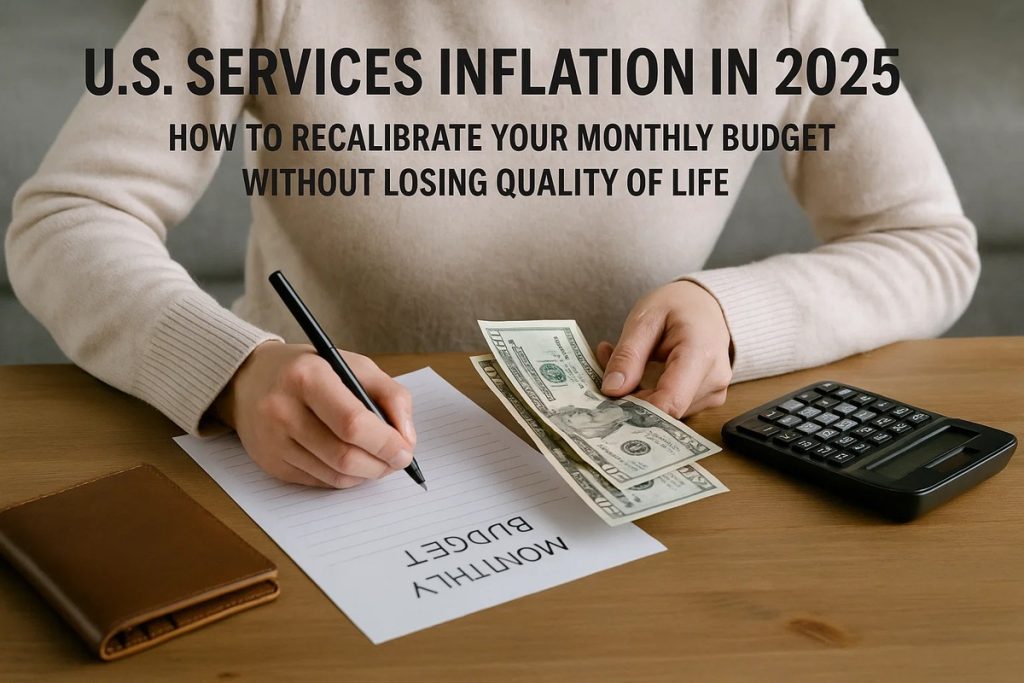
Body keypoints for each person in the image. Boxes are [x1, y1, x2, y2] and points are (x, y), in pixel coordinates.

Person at [5, 1, 978, 490]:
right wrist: (232, 369)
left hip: (612, 502)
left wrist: (733, 315)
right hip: (317, 472)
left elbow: (926, 240)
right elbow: (70, 214)